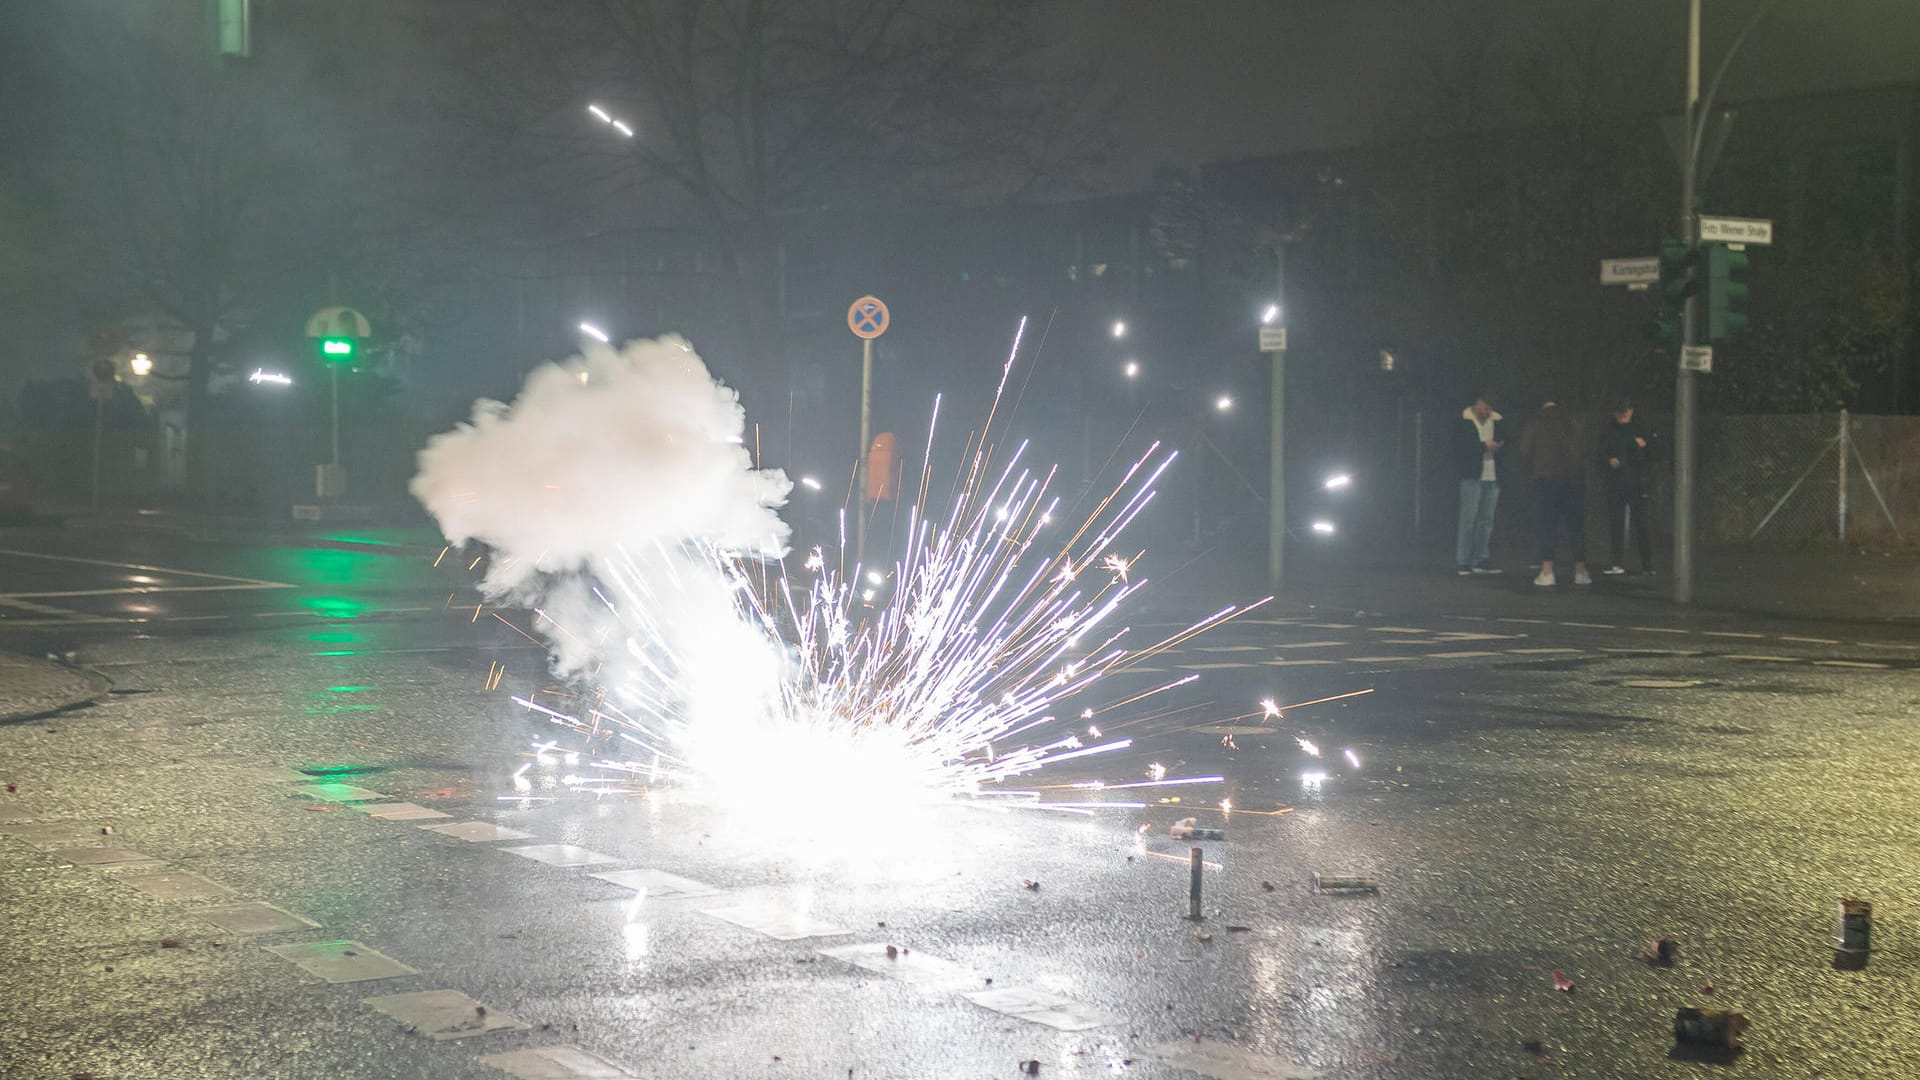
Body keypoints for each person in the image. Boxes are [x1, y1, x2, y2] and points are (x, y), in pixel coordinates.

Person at [1518, 400, 1590, 587]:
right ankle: (1580, 572)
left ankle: (1548, 572)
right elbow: (1584, 451)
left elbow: (1525, 451)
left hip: (1546, 479)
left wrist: (1529, 475)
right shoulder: (1573, 423)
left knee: (1547, 526)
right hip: (1573, 480)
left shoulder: (1536, 424)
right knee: (1576, 526)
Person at [1596, 398, 1654, 575]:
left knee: (1641, 524)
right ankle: (1618, 562)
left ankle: (1646, 564)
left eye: (1627, 410)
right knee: (1617, 523)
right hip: (1617, 482)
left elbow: (1651, 454)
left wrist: (1643, 448)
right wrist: (1608, 461)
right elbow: (1600, 454)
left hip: (1635, 482)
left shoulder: (1640, 429)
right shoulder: (1609, 431)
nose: (1624, 414)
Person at [1452, 395, 1505, 575]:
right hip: (1471, 476)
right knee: (1468, 520)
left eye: (1490, 409)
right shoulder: (1464, 422)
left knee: (1486, 520)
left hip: (1492, 475)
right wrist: (1484, 446)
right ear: (1477, 403)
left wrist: (1498, 446)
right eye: (1484, 407)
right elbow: (1462, 448)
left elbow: (1506, 442)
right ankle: (1464, 561)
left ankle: (1481, 559)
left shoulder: (1497, 422)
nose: (1487, 412)